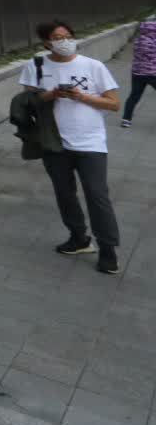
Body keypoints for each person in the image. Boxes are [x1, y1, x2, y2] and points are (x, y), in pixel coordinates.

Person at [18, 21, 122, 275]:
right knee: (64, 193)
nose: (64, 41)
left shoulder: (93, 66)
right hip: (53, 143)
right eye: (57, 37)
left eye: (68, 36)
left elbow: (114, 104)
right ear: (46, 43)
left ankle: (108, 249)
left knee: (97, 195)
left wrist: (82, 97)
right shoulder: (36, 66)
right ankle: (78, 238)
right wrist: (51, 95)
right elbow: (28, 102)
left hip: (91, 142)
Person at [120, 19, 156, 128]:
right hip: (153, 74)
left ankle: (126, 119)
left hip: (137, 73)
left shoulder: (138, 41)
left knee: (134, 96)